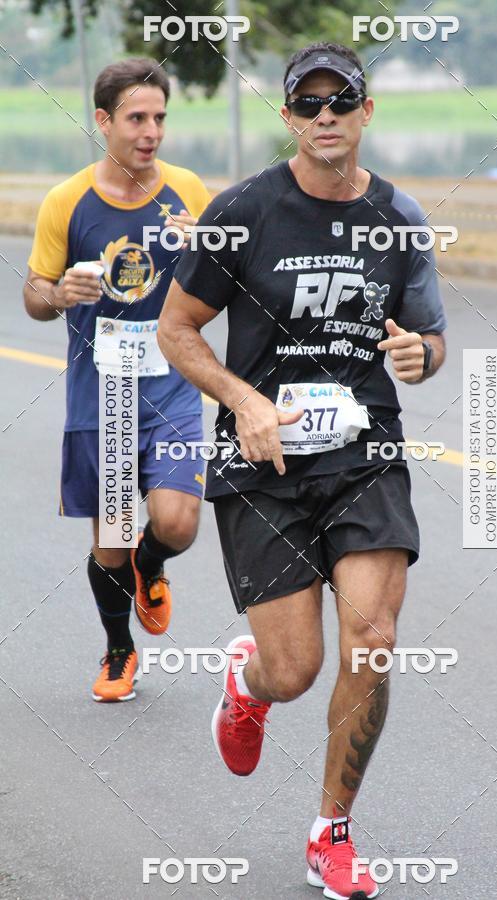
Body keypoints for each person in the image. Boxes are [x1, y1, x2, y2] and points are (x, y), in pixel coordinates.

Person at [159, 42, 447, 900]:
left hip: (365, 456)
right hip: (266, 461)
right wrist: (244, 400)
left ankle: (332, 832)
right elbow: (177, 331)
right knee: (294, 671)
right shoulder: (241, 211)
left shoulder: (399, 219)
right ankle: (248, 684)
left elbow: (430, 340)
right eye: (309, 103)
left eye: (341, 100)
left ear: (366, 111)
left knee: (375, 639)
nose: (326, 116)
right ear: (288, 116)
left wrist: (418, 355)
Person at [23, 58, 211, 702]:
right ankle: (117, 650)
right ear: (104, 121)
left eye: (159, 117)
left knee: (178, 521)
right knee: (108, 536)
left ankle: (150, 563)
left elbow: (227, 288)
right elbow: (33, 294)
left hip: (172, 388)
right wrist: (59, 293)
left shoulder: (188, 190)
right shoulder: (67, 200)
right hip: (101, 392)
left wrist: (203, 252)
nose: (151, 130)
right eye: (136, 117)